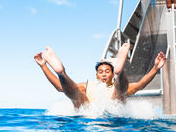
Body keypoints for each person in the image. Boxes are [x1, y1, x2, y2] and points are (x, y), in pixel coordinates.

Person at [34, 43, 167, 109]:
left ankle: (120, 72)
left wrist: (155, 68)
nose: (103, 74)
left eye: (107, 71)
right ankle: (61, 72)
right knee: (78, 91)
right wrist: (43, 66)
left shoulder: (113, 87)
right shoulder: (88, 85)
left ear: (111, 74)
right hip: (88, 112)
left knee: (119, 92)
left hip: (111, 113)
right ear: (96, 75)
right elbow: (60, 87)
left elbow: (140, 85)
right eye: (101, 72)